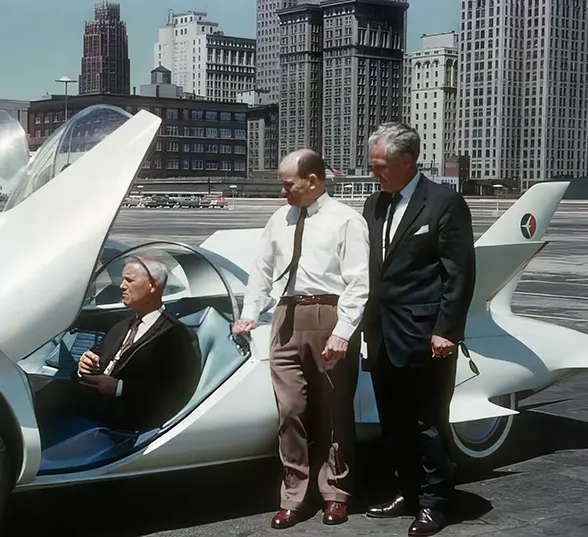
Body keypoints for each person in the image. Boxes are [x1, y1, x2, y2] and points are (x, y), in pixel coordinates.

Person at [233, 149, 370, 529]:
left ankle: (336, 493)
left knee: (332, 411)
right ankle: (294, 495)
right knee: (290, 411)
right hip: (286, 317)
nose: (283, 191)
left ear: (313, 181)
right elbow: (261, 271)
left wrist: (343, 331)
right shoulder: (279, 219)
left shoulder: (347, 221)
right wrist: (249, 314)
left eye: (287, 183)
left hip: (330, 314)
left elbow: (359, 282)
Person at [361, 122, 476, 537]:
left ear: (407, 161)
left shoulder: (444, 203)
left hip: (427, 336)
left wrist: (447, 329)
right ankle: (407, 491)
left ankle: (436, 501)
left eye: (379, 166)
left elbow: (458, 275)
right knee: (393, 421)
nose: (374, 173)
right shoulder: (374, 203)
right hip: (381, 334)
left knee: (428, 423)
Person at [34, 256, 202, 433]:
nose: (121, 286)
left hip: (129, 414)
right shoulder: (121, 326)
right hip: (95, 400)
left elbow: (176, 393)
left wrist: (119, 388)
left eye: (129, 280)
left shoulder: (176, 335)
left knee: (47, 393)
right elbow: (90, 365)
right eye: (122, 279)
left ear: (152, 285)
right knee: (32, 386)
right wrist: (82, 367)